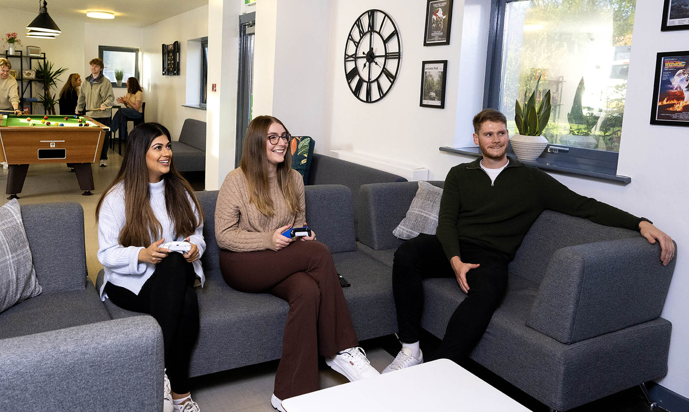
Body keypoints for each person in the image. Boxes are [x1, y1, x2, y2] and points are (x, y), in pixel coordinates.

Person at [383, 108, 676, 374]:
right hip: (454, 247)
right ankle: (410, 349)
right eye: (488, 134)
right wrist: (455, 261)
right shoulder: (460, 174)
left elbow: (585, 206)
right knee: (408, 253)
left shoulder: (532, 179)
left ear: (507, 135)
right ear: (477, 138)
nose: (496, 140)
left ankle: (437, 372)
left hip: (492, 256)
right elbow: (446, 222)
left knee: (486, 295)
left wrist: (641, 222)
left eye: (501, 133)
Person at [215, 115, 380, 411]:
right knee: (318, 253)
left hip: (280, 258)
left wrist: (302, 234)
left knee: (307, 290)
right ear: (256, 143)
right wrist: (268, 240)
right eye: (273, 137)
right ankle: (341, 349)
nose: (281, 143)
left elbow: (298, 221)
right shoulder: (236, 180)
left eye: (284, 136)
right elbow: (224, 236)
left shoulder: (294, 179)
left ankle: (290, 393)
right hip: (241, 262)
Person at [96, 122, 204, 412]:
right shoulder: (116, 197)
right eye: (158, 147)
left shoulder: (179, 189)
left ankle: (165, 382)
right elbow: (105, 254)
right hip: (127, 283)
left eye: (168, 146)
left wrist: (195, 247)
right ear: (139, 154)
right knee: (187, 299)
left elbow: (197, 233)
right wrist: (142, 254)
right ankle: (179, 393)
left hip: (169, 278)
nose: (167, 152)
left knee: (178, 271)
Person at [76, 58, 114, 166]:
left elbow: (110, 97)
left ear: (101, 68)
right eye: (92, 65)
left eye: (96, 66)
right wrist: (78, 108)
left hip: (103, 115)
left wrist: (105, 104)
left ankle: (103, 159)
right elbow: (82, 97)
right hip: (90, 115)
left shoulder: (105, 82)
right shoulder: (86, 81)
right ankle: (90, 157)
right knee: (90, 138)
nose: (93, 67)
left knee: (104, 138)